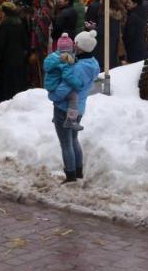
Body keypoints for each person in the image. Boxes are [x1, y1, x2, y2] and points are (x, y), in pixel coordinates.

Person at [45, 30, 99, 183]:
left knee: (66, 143)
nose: (73, 45)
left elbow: (64, 89)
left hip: (64, 108)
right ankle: (78, 171)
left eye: (76, 43)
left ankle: (70, 176)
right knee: (74, 140)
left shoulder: (77, 67)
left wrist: (52, 96)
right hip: (79, 108)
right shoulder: (93, 63)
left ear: (81, 47)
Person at [0, 1, 28, 103]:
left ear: (4, 12)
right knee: (17, 82)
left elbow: (0, 44)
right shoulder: (19, 22)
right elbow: (25, 42)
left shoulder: (4, 25)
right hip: (19, 58)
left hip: (7, 59)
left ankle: (7, 104)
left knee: (7, 84)